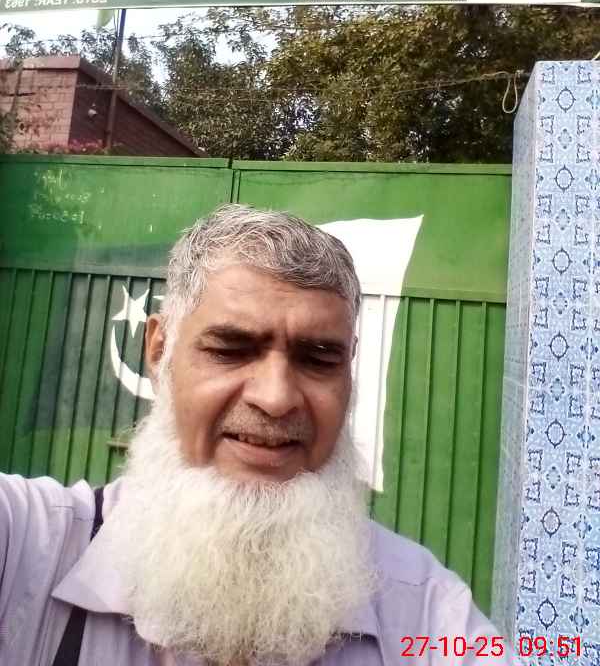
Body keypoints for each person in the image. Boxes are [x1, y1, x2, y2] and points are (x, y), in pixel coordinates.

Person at [0, 204, 520, 666]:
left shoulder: (426, 616)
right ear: (159, 353)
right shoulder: (28, 551)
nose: (276, 398)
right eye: (230, 350)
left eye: (319, 359)